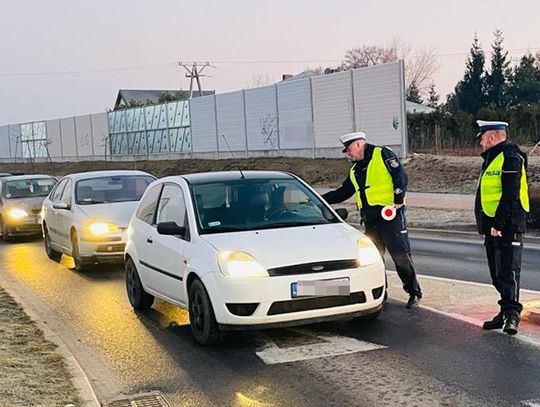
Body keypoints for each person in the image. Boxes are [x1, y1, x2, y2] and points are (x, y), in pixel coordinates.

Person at [322, 132, 422, 308]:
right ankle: (381, 292)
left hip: (390, 216)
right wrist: (319, 200)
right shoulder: (355, 170)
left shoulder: (382, 154)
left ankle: (414, 292)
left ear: (359, 144)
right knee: (375, 260)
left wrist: (398, 199)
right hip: (370, 220)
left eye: (349, 149)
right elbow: (343, 192)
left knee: (401, 256)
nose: (348, 153)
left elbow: (400, 176)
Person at [475, 120, 529, 335]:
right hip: (492, 226)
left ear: (492, 137)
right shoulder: (492, 158)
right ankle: (504, 311)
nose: (480, 141)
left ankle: (512, 316)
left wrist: (499, 224)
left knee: (508, 272)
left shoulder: (509, 156)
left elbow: (510, 193)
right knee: (497, 274)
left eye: (482, 137)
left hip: (508, 225)